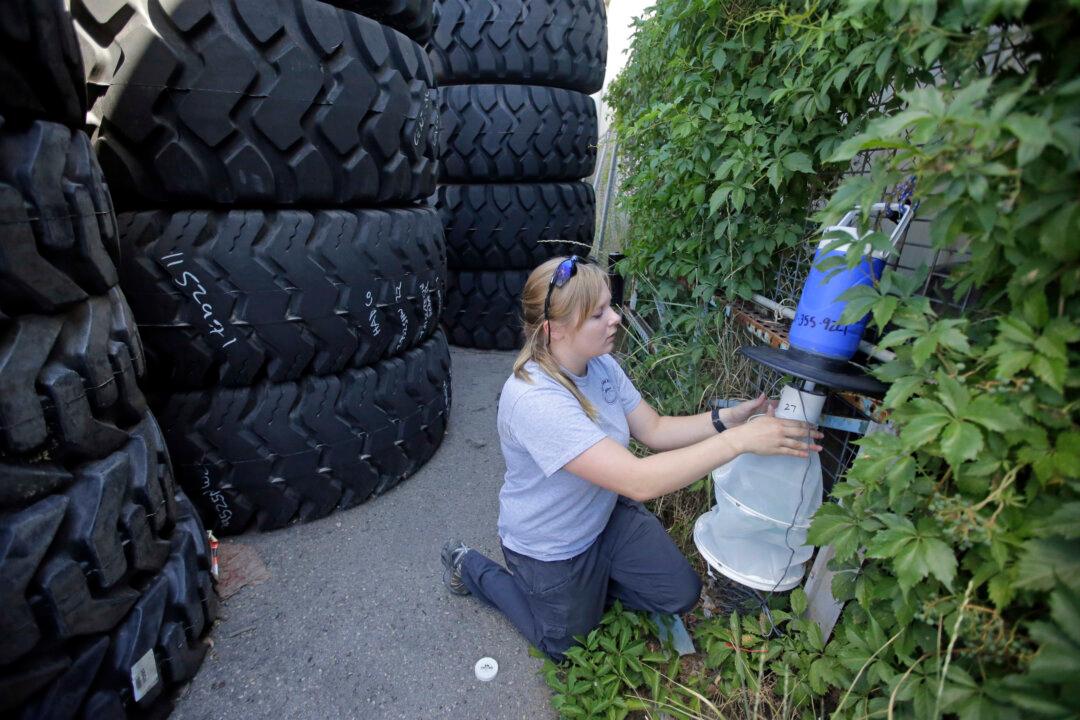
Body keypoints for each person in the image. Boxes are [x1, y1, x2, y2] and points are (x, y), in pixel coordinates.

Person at [440, 255, 823, 661]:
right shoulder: (535, 399)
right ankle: (469, 565)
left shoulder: (601, 365)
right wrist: (742, 441)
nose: (616, 319)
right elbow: (639, 480)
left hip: (604, 517)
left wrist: (729, 419)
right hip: (553, 547)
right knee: (566, 649)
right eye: (598, 314)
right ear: (555, 330)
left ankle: (591, 587)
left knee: (679, 592)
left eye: (611, 305)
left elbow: (654, 430)